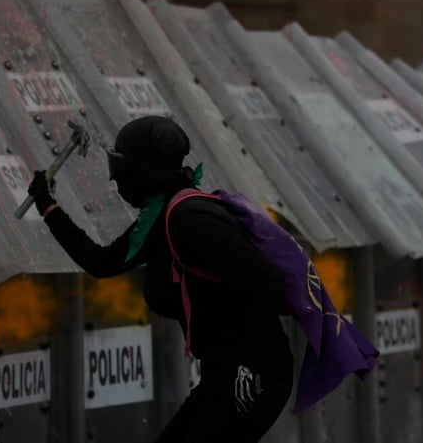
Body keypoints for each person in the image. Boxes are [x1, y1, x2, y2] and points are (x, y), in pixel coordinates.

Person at [27, 115, 293, 443]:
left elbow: (267, 280)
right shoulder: (160, 216)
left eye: (121, 171)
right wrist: (48, 206)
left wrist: (248, 365)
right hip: (222, 374)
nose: (116, 181)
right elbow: (102, 262)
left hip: (252, 375)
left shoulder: (188, 219)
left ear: (141, 172)